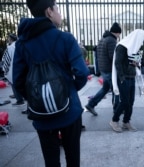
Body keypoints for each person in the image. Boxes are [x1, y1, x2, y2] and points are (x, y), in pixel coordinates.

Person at [12, 0, 89, 166]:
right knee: (72, 159)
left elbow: (17, 81)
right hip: (69, 110)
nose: (60, 14)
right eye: (58, 9)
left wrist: (36, 98)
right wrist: (69, 90)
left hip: (41, 115)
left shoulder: (22, 44)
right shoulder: (65, 38)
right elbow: (82, 73)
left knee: (51, 161)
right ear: (49, 12)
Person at [110, 29, 144, 132]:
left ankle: (126, 121)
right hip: (123, 78)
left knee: (131, 101)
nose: (141, 42)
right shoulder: (122, 46)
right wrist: (121, 78)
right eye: (141, 39)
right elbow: (118, 63)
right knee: (125, 101)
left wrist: (137, 62)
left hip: (131, 77)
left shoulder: (134, 48)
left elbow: (137, 61)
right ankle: (114, 120)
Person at [85, 22, 122, 116]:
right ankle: (116, 110)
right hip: (109, 70)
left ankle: (91, 104)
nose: (119, 36)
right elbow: (113, 57)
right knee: (116, 89)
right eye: (119, 34)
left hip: (103, 69)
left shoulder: (103, 39)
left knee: (105, 88)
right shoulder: (111, 40)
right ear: (117, 32)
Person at [1, 33, 25, 106]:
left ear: (11, 39)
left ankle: (19, 100)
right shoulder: (20, 45)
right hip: (21, 68)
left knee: (14, 84)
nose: (8, 39)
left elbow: (5, 59)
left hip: (12, 69)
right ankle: (21, 97)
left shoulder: (10, 47)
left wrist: (5, 69)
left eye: (8, 38)